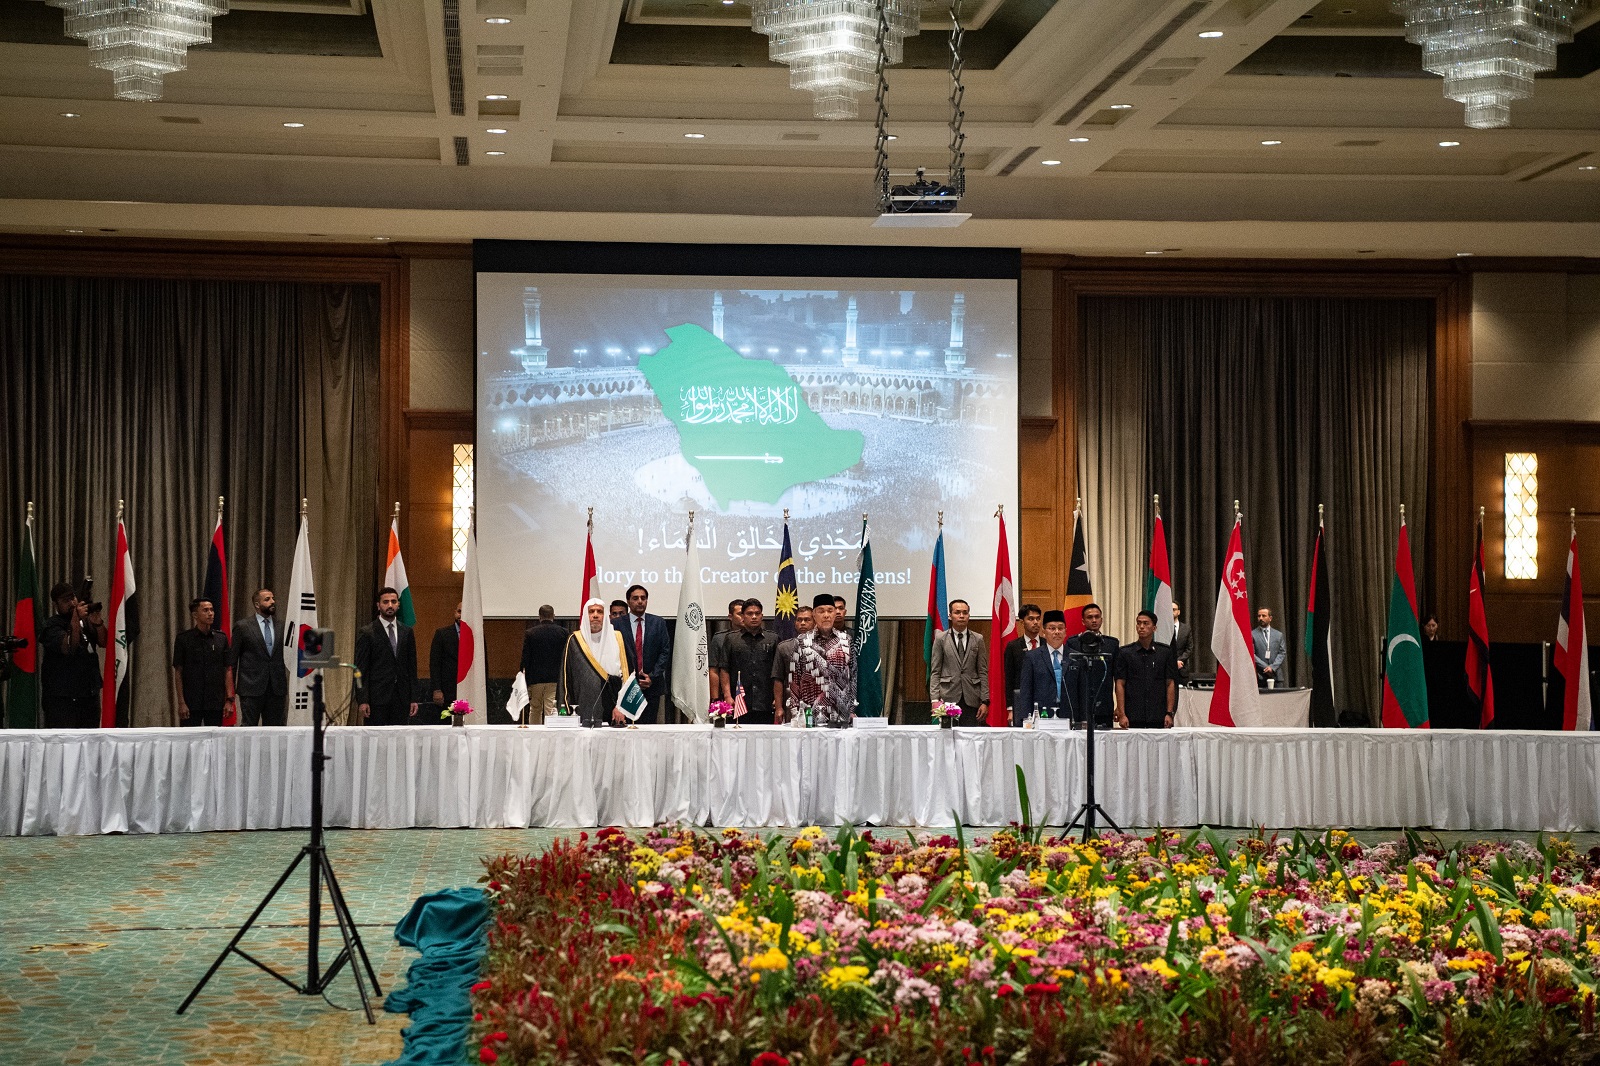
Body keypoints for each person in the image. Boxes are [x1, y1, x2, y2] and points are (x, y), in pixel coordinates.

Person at [557, 598, 633, 726]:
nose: (595, 615)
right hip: (582, 708)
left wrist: (622, 707)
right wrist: (565, 711)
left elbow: (627, 676)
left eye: (600, 611)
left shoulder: (617, 638)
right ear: (585, 616)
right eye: (591, 611)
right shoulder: (575, 640)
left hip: (615, 711)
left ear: (605, 616)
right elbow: (565, 678)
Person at [39, 582, 105, 729]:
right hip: (63, 701)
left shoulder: (84, 622)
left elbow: (104, 642)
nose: (72, 603)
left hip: (89, 696)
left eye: (73, 598)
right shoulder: (51, 626)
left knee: (90, 740)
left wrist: (98, 622)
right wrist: (76, 617)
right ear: (56, 604)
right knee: (64, 741)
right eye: (65, 600)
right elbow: (70, 646)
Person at [786, 593, 856, 727]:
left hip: (840, 712)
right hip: (810, 711)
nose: (826, 615)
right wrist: (795, 710)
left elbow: (853, 676)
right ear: (814, 614)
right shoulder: (802, 641)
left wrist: (851, 709)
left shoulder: (846, 640)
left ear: (835, 613)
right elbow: (794, 678)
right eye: (821, 611)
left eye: (830, 611)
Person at [354, 586, 419, 725]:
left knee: (399, 736)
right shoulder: (367, 632)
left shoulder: (407, 632)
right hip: (376, 698)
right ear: (378, 605)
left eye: (393, 601)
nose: (390, 605)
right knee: (376, 737)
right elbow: (361, 669)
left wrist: (414, 698)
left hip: (401, 698)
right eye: (386, 602)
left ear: (398, 604)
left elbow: (412, 667)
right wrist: (363, 700)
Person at [231, 588, 288, 727]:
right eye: (267, 599)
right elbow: (232, 660)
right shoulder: (243, 626)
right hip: (251, 688)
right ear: (257, 604)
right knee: (249, 729)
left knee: (275, 731)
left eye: (273, 598)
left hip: (276, 689)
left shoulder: (282, 626)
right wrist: (229, 693)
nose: (272, 602)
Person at [171, 597, 232, 727]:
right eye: (205, 610)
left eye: (212, 610)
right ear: (195, 615)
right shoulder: (184, 639)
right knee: (189, 737)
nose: (210, 613)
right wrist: (181, 702)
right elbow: (178, 672)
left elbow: (227, 669)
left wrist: (229, 700)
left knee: (215, 737)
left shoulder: (221, 638)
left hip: (215, 701)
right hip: (192, 701)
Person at [1114, 610, 1179, 729]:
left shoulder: (1165, 652)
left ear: (1154, 628)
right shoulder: (1125, 652)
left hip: (1158, 715)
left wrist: (1169, 713)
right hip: (1133, 715)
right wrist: (1122, 714)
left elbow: (1170, 683)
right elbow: (1120, 683)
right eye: (1138, 623)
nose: (1141, 627)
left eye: (1145, 623)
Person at [929, 598, 988, 726]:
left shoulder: (978, 639)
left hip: (971, 698)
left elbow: (983, 671)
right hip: (947, 698)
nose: (961, 616)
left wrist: (985, 701)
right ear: (950, 616)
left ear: (969, 616)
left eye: (965, 613)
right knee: (947, 736)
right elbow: (935, 671)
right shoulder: (941, 639)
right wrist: (934, 699)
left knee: (970, 736)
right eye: (957, 612)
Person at [621, 584, 672, 724]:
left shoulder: (658, 623)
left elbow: (664, 652)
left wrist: (652, 676)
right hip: (624, 687)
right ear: (628, 601)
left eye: (643, 598)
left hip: (651, 686)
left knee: (648, 728)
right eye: (635, 598)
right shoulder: (617, 624)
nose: (640, 601)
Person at [1063, 603, 1119, 727]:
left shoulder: (1111, 644)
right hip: (1080, 704)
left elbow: (1118, 677)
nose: (1094, 620)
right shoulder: (1073, 643)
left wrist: (1119, 706)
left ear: (1101, 620)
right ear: (1083, 621)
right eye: (1089, 617)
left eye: (1097, 617)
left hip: (1104, 704)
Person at [724, 598, 778, 724]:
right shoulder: (731, 639)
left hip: (765, 702)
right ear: (743, 616)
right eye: (749, 613)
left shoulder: (773, 639)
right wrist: (727, 696)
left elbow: (778, 672)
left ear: (762, 616)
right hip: (738, 701)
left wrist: (778, 698)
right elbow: (724, 669)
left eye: (757, 613)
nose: (754, 617)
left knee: (765, 736)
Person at [1015, 609, 1068, 725]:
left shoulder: (1074, 657)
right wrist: (1026, 719)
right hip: (1042, 715)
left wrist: (1084, 719)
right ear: (1043, 632)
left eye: (1060, 628)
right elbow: (1026, 691)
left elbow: (1082, 691)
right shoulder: (1032, 657)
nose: (1057, 632)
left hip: (1069, 715)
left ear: (1065, 632)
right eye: (1052, 628)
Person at [519, 604, 566, 723]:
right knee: (551, 709)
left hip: (535, 679)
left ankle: (534, 732)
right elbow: (566, 657)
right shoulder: (563, 633)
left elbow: (525, 658)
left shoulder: (530, 633)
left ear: (539, 616)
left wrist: (524, 679)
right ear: (554, 616)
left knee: (535, 709)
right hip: (555, 678)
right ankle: (552, 732)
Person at [772, 604, 814, 722]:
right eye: (799, 620)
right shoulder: (784, 647)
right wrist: (779, 707)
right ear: (794, 623)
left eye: (807, 620)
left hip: (817, 700)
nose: (802, 623)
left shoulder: (823, 647)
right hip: (792, 701)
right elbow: (778, 679)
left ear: (815, 622)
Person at [1003, 603, 1043, 722]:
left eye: (1038, 619)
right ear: (1022, 622)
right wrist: (1010, 708)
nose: (1035, 622)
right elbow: (1009, 679)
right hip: (1021, 700)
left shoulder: (1047, 644)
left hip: (1044, 700)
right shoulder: (1013, 646)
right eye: (1031, 619)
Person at [429, 602, 462, 721]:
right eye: (459, 611)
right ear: (455, 613)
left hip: (469, 692)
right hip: (446, 693)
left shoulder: (477, 635)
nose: (461, 615)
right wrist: (437, 689)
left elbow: (483, 665)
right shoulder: (442, 634)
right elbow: (435, 664)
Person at [708, 598, 745, 701]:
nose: (744, 617)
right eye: (740, 614)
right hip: (728, 692)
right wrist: (715, 699)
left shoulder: (759, 637)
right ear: (730, 617)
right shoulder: (720, 638)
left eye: (745, 614)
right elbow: (714, 670)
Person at [1253, 607, 1286, 689]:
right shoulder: (1252, 634)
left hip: (1276, 675)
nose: (1261, 618)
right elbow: (1252, 654)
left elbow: (1282, 653)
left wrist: (1272, 667)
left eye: (1263, 616)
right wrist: (1265, 667)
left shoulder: (1278, 635)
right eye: (1259, 616)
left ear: (1270, 618)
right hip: (1260, 676)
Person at [1169, 601, 1192, 682]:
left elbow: (1189, 648)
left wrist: (1179, 660)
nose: (1171, 612)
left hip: (1181, 669)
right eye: (1169, 609)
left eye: (1174, 609)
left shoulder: (1186, 629)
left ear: (1178, 612)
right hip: (1167, 670)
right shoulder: (1163, 628)